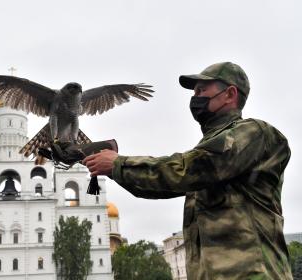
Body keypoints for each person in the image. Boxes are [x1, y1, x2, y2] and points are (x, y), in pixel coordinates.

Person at [83, 62, 293, 279]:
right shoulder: (209, 151)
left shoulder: (255, 134)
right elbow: (160, 186)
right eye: (194, 92)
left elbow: (187, 169)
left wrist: (119, 163)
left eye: (202, 90)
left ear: (230, 94)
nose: (195, 98)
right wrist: (106, 166)